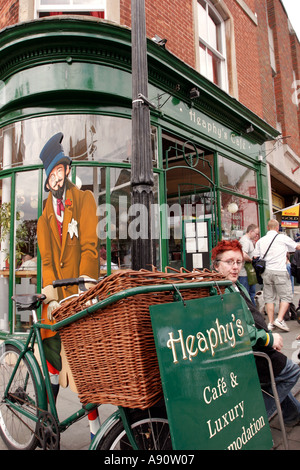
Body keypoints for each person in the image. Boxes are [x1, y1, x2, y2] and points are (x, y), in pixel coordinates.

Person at [37, 132, 100, 438]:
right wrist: (50, 296)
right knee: (51, 353)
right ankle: (47, 416)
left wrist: (84, 290)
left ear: (67, 172)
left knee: (83, 366)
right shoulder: (43, 219)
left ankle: (94, 428)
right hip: (55, 299)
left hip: (78, 296)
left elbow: (89, 247)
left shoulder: (84, 200)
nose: (58, 178)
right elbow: (47, 262)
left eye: (62, 170)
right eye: (53, 173)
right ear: (47, 180)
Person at [211, 239, 300, 425]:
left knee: (276, 379)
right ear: (216, 265)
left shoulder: (236, 286)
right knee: (291, 372)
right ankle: (255, 422)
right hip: (249, 352)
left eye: (238, 262)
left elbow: (252, 317)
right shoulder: (221, 291)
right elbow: (239, 331)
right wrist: (268, 339)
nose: (235, 267)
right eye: (229, 262)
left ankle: (293, 414)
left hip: (259, 345)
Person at [252, 219, 300, 332]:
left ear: (268, 228)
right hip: (280, 271)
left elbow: (255, 256)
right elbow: (296, 247)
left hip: (266, 272)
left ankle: (270, 323)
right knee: (286, 296)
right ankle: (279, 319)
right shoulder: (282, 238)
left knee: (269, 298)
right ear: (277, 228)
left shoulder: (261, 241)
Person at [238, 224, 260, 304]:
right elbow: (243, 254)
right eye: (256, 233)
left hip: (248, 273)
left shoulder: (248, 240)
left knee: (250, 294)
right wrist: (251, 260)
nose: (257, 235)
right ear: (251, 231)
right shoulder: (245, 241)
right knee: (246, 295)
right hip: (244, 273)